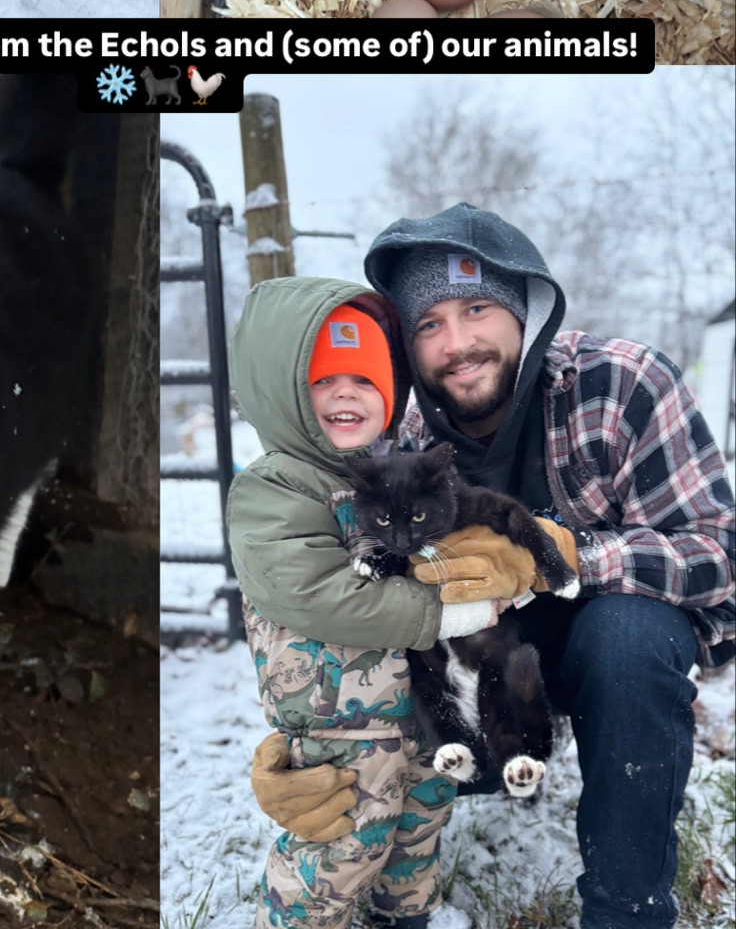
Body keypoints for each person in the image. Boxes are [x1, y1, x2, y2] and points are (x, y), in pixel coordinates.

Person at [258, 206, 735, 929]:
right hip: (474, 660)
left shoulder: (622, 384)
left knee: (630, 640)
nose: (458, 343)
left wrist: (567, 555)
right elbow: (323, 589)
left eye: (476, 308)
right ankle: (398, 881)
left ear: (524, 313)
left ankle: (627, 910)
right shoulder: (391, 436)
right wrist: (301, 739)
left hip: (602, 646)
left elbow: (719, 551)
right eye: (428, 324)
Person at [228, 278, 507, 929]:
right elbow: (314, 592)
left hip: (419, 709)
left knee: (419, 830)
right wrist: (439, 616)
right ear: (281, 391)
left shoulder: (392, 478)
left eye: (365, 379)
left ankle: (405, 917)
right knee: (342, 844)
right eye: (323, 380)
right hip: (338, 728)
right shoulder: (274, 489)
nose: (347, 393)